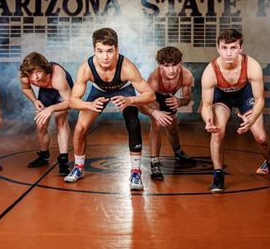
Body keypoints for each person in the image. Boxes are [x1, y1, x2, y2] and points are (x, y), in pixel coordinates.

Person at [64, 28, 155, 191]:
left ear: (117, 50)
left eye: (109, 51)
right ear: (94, 50)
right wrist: (89, 105)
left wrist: (130, 100)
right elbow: (73, 101)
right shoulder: (86, 68)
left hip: (124, 90)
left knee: (133, 123)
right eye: (100, 51)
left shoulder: (127, 67)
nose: (105, 57)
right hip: (99, 91)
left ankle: (135, 172)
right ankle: (79, 168)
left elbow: (150, 95)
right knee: (79, 129)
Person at [200, 29, 270, 193]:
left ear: (241, 48)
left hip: (245, 95)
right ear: (218, 48)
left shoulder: (252, 65)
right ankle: (218, 176)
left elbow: (260, 99)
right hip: (222, 96)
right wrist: (208, 121)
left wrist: (251, 121)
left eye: (233, 47)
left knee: (260, 136)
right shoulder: (210, 71)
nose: (228, 53)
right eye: (224, 48)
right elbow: (207, 105)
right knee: (217, 132)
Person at [139, 46, 195, 181]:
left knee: (173, 129)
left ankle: (178, 153)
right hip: (153, 99)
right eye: (166, 66)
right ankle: (155, 163)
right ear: (159, 66)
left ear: (180, 62)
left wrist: (179, 102)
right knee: (156, 125)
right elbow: (141, 105)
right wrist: (154, 112)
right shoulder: (154, 79)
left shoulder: (186, 75)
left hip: (170, 99)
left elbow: (187, 99)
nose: (171, 70)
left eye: (174, 65)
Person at [19, 52, 73, 175]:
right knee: (41, 124)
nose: (35, 77)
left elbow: (70, 102)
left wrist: (52, 108)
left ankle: (63, 161)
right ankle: (44, 156)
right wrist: (34, 100)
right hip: (46, 92)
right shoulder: (25, 75)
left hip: (64, 93)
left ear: (45, 69)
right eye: (31, 73)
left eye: (38, 72)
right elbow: (26, 88)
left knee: (61, 122)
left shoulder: (57, 77)